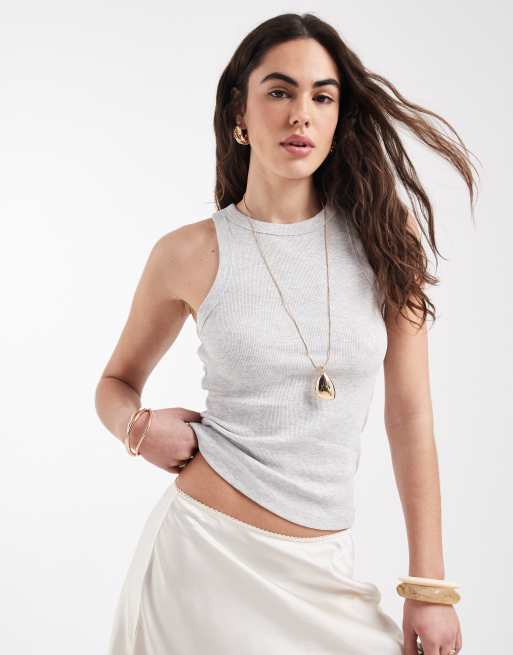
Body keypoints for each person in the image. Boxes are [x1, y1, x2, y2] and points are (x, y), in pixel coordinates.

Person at [95, 12, 477, 655]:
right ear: (239, 115)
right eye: (279, 91)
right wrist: (135, 428)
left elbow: (411, 415)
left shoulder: (388, 241)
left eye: (322, 97)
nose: (301, 114)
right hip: (203, 561)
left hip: (324, 572)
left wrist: (429, 587)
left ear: (338, 119)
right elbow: (114, 382)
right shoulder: (189, 252)